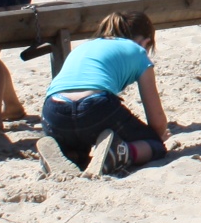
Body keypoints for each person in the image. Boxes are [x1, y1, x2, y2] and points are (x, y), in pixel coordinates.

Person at [40, 11, 172, 177]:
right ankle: (121, 152)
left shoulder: (83, 47)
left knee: (79, 146)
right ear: (145, 42)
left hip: (53, 110)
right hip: (95, 106)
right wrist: (158, 135)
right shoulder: (138, 52)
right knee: (155, 145)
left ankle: (66, 154)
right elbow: (157, 120)